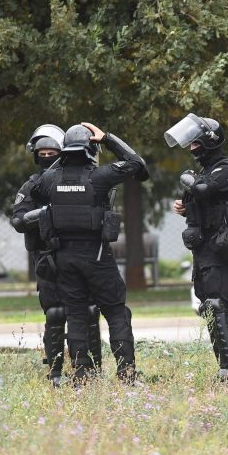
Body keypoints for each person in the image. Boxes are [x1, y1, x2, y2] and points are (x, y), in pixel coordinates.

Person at [31, 122, 150, 384]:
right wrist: (107, 138)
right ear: (91, 149)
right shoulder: (99, 176)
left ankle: (82, 375)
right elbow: (137, 164)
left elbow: (36, 190)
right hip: (96, 256)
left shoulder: (50, 178)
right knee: (117, 312)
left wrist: (61, 162)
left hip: (64, 258)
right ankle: (126, 375)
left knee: (76, 315)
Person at [10, 124, 103, 387]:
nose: (48, 157)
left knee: (89, 311)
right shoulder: (33, 185)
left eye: (54, 152)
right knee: (55, 313)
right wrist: (45, 214)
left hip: (81, 255)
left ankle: (90, 369)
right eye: (43, 152)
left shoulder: (83, 177)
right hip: (48, 258)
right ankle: (55, 371)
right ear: (36, 155)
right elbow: (18, 220)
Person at [165, 113, 228, 382]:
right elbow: (201, 200)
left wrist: (188, 180)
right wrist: (185, 208)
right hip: (202, 248)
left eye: (196, 142)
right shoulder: (205, 172)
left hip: (221, 247)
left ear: (209, 141)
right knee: (209, 307)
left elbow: (202, 189)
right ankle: (226, 367)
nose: (192, 147)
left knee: (216, 303)